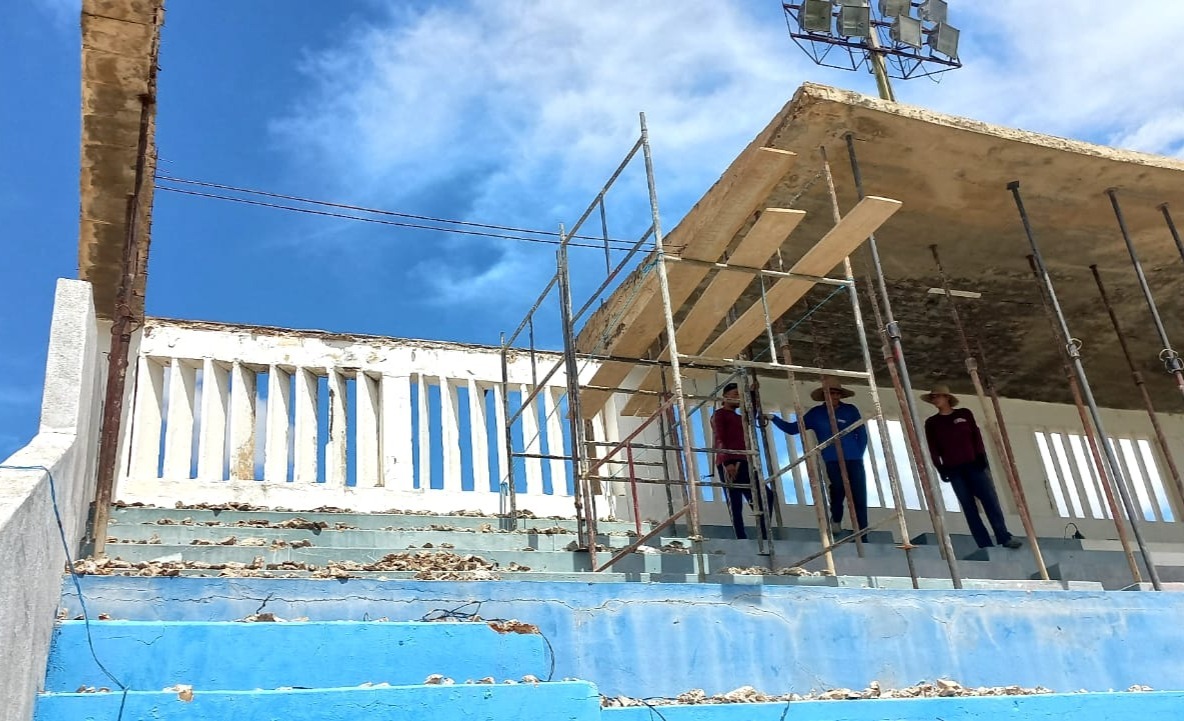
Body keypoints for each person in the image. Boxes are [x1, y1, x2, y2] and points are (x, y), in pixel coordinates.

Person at [922, 384, 1022, 550]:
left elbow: (976, 436)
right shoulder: (932, 423)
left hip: (974, 465)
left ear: (947, 398)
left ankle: (1004, 537)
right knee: (969, 507)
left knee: (990, 501)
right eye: (933, 397)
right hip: (954, 470)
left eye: (938, 396)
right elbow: (932, 448)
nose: (935, 399)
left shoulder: (964, 414)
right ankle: (984, 544)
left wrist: (981, 455)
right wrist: (940, 467)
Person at [765, 377, 868, 534]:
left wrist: (858, 453)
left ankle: (863, 533)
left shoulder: (850, 410)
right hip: (832, 459)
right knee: (838, 489)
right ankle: (836, 519)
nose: (835, 396)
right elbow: (793, 429)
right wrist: (773, 418)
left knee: (859, 495)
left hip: (854, 459)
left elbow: (861, 434)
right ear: (824, 395)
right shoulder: (816, 414)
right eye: (831, 393)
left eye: (838, 393)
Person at [710, 382, 774, 540]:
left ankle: (764, 534)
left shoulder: (740, 418)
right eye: (735, 394)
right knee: (735, 502)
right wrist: (727, 462)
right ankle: (741, 537)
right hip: (729, 461)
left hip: (744, 460)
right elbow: (719, 438)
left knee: (765, 496)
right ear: (725, 397)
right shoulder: (719, 415)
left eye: (740, 395)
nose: (738, 398)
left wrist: (752, 393)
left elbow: (751, 413)